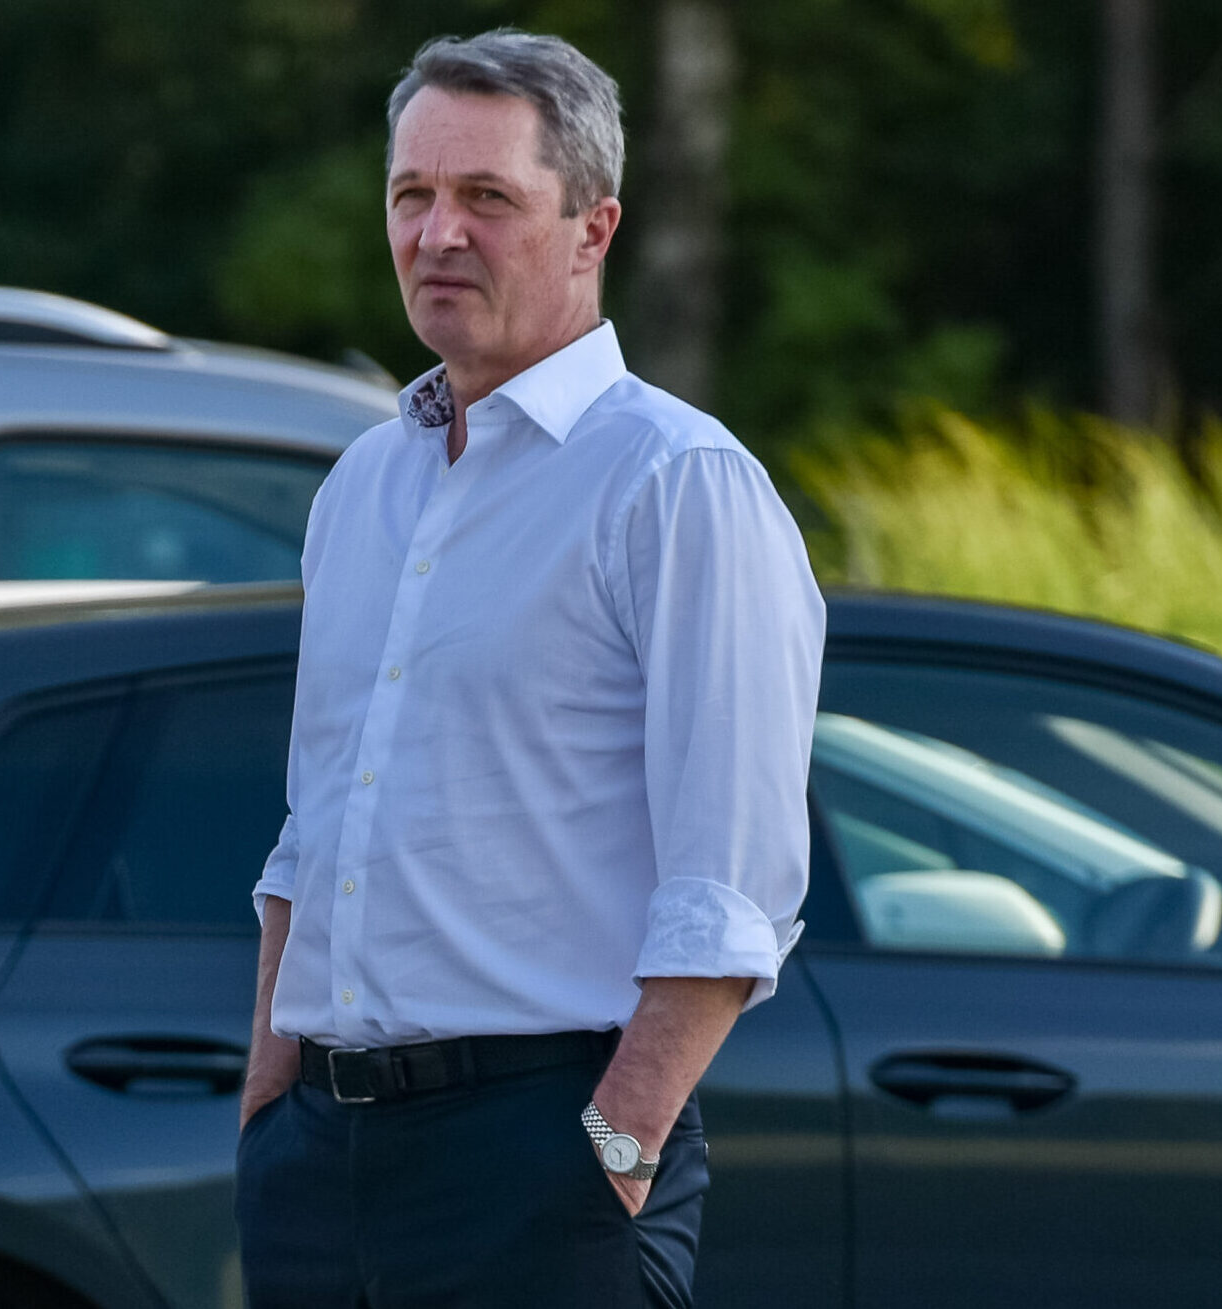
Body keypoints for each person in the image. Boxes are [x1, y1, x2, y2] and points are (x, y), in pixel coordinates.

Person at [233, 29, 825, 1309]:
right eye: (412, 195)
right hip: (320, 1163)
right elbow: (310, 834)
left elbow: (732, 885)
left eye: (486, 198)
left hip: (544, 1153)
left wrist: (611, 1155)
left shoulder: (677, 484)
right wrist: (267, 1101)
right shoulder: (361, 484)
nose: (438, 232)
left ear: (590, 229)